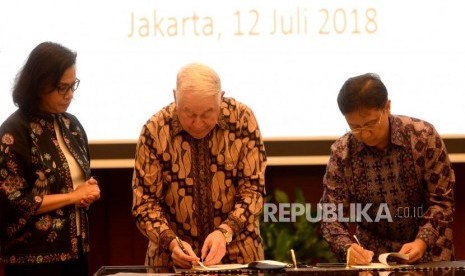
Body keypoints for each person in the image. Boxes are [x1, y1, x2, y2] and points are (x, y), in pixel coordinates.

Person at [132, 63, 267, 268]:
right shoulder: (155, 130)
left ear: (221, 98)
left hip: (237, 252)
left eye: (207, 114)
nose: (197, 123)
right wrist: (170, 242)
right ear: (175, 96)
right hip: (172, 258)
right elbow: (145, 204)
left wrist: (225, 231)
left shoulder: (242, 120)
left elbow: (254, 189)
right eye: (188, 113)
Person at [320, 73, 455, 265]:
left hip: (430, 251)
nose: (365, 134)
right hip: (373, 258)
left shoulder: (423, 137)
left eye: (370, 123)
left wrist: (422, 240)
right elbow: (330, 215)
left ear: (387, 107)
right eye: (355, 127)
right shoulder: (343, 153)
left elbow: (441, 201)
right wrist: (348, 248)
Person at [0, 42, 100, 276]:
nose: (70, 95)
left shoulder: (71, 125)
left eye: (73, 86)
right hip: (32, 261)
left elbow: (77, 181)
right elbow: (13, 202)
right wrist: (72, 196)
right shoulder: (13, 132)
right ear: (39, 85)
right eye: (62, 88)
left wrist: (87, 189)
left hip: (76, 252)